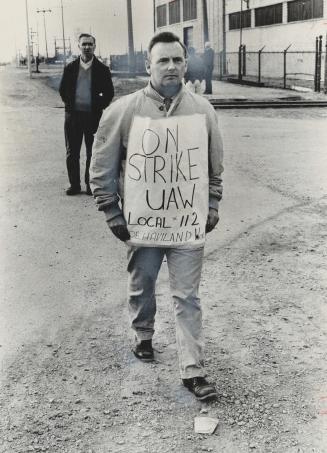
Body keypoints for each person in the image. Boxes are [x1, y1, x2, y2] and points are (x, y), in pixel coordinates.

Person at [90, 32, 223, 401]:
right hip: (142, 224)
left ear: (186, 64)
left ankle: (193, 370)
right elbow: (101, 164)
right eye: (162, 60)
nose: (171, 67)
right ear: (148, 65)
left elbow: (215, 167)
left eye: (177, 60)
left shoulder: (203, 110)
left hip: (186, 224)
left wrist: (212, 205)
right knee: (142, 282)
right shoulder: (123, 110)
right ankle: (144, 334)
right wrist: (110, 209)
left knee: (187, 295)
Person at [59, 33, 114, 196]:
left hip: (93, 117)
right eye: (84, 44)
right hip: (73, 118)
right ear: (79, 46)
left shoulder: (102, 69)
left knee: (93, 152)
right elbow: (63, 90)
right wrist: (71, 106)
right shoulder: (70, 68)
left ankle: (90, 185)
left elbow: (109, 93)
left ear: (94, 46)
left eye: (90, 44)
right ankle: (74, 185)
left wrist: (98, 106)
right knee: (72, 152)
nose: (87, 47)